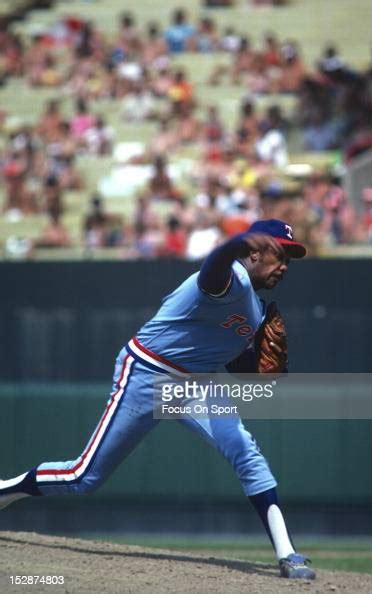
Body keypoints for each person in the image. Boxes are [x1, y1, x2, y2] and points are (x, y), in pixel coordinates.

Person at [0, 219, 315, 580]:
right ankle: (6, 489)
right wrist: (235, 242)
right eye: (280, 254)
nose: (285, 265)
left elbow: (238, 365)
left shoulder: (258, 313)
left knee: (245, 452)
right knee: (84, 476)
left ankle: (287, 552)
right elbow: (212, 269)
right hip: (147, 375)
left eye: (290, 258)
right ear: (253, 253)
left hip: (195, 385)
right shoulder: (232, 278)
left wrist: (264, 369)